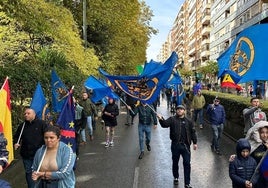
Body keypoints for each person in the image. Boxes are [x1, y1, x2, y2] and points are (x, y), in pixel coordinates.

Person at [157, 105, 197, 188]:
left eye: (181, 109)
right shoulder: (172, 119)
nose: (179, 110)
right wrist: (160, 118)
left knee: (187, 164)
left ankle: (187, 183)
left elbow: (193, 132)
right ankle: (176, 177)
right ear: (176, 111)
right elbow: (165, 124)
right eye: (178, 109)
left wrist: (195, 143)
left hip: (186, 146)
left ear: (184, 111)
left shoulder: (189, 121)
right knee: (175, 162)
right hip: (175, 145)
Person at [14, 108, 48, 188]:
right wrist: (16, 143)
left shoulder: (42, 124)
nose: (26, 115)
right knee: (29, 173)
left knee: (39, 172)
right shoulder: (22, 126)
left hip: (40, 154)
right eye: (25, 114)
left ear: (34, 114)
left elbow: (48, 136)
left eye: (28, 113)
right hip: (26, 154)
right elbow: (17, 137)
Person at [245, 120, 268, 187]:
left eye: (267, 132)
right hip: (255, 176)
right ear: (258, 133)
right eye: (262, 132)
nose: (265, 135)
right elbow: (243, 155)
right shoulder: (252, 145)